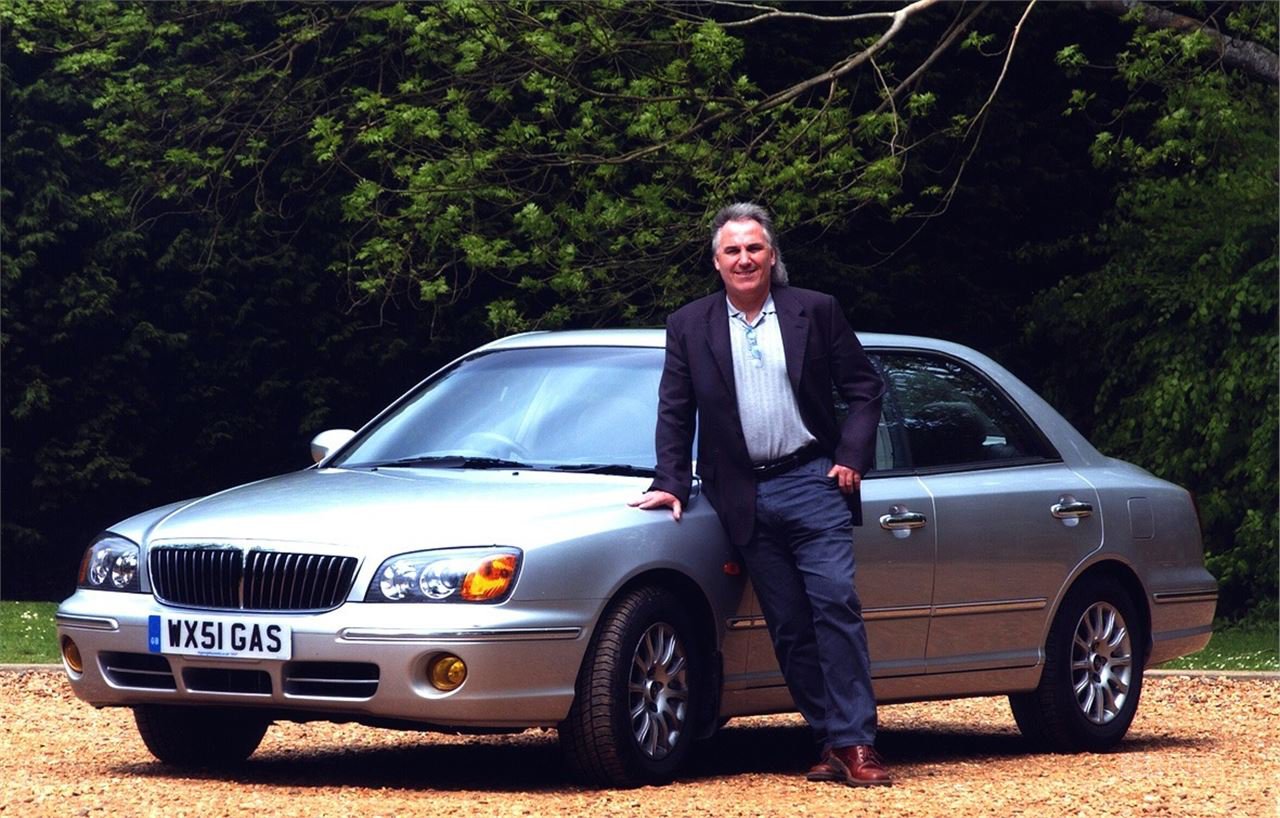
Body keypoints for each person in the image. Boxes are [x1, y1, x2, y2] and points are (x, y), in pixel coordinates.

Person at [629, 202, 890, 786]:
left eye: (754, 248)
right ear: (716, 262)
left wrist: (851, 456)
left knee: (835, 604)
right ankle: (829, 739)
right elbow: (675, 411)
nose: (744, 258)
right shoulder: (688, 324)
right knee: (789, 627)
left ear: (772, 255)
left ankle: (857, 743)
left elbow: (864, 388)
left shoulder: (815, 311)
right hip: (741, 494)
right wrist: (670, 483)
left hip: (813, 480)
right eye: (732, 250)